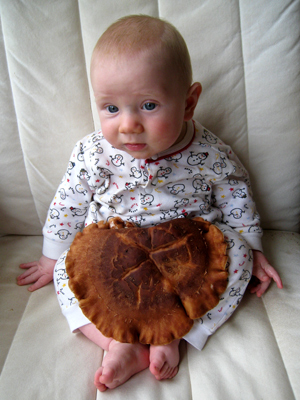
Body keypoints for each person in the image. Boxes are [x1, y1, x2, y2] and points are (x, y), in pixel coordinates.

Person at [17, 15, 283, 392]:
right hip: (115, 247)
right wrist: (51, 254)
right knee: (66, 268)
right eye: (111, 108)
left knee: (236, 253)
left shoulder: (209, 151)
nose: (128, 125)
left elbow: (234, 191)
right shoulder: (94, 153)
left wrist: (254, 246)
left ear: (189, 103)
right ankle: (115, 342)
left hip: (188, 248)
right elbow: (68, 202)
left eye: (148, 105)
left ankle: (176, 337)